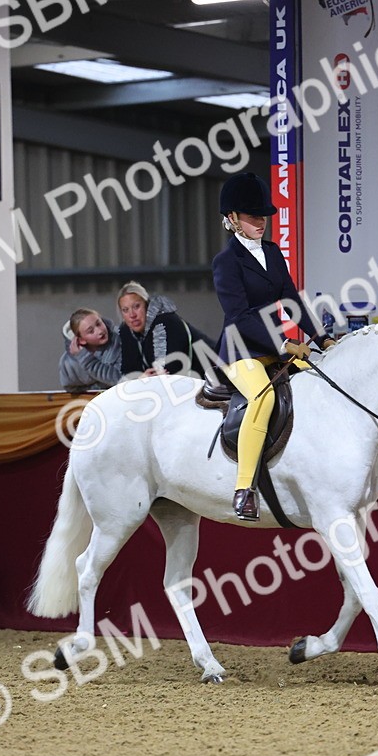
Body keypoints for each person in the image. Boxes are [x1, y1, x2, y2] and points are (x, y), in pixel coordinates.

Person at [212, 172, 332, 521]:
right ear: (233, 218)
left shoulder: (273, 253)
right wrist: (283, 341)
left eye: (263, 215)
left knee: (321, 380)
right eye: (252, 216)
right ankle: (244, 488)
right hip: (240, 349)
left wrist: (321, 337)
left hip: (277, 348)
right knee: (262, 396)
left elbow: (291, 299)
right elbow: (240, 315)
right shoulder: (226, 263)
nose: (261, 222)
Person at [116, 281, 209, 379]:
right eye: (125, 310)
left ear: (147, 305)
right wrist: (140, 378)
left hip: (217, 372)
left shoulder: (164, 320)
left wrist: (143, 380)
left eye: (136, 306)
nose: (132, 315)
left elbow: (168, 371)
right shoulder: (127, 330)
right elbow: (129, 373)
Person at [58, 307, 122, 392]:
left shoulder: (121, 341)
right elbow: (71, 388)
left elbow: (122, 378)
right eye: (91, 331)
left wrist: (89, 362)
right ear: (81, 340)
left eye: (99, 324)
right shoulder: (69, 362)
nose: (100, 331)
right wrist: (96, 390)